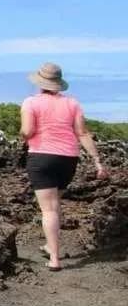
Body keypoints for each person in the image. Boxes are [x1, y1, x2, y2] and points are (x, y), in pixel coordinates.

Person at [20, 62, 109, 271]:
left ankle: (55, 259)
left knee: (48, 209)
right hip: (68, 158)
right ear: (58, 83)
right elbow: (83, 134)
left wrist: (24, 135)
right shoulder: (73, 103)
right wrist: (97, 161)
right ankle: (51, 246)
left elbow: (27, 131)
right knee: (55, 203)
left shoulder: (30, 102)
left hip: (41, 157)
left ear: (40, 82)